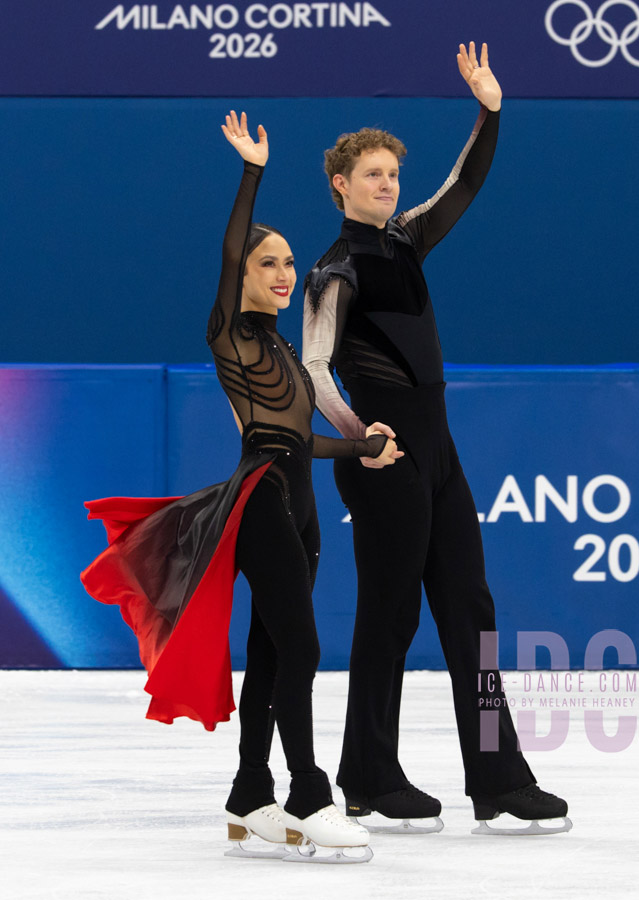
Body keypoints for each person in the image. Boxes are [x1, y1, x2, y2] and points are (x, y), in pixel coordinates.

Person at [81, 110, 400, 863]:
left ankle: (250, 794)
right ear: (243, 277)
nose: (285, 273)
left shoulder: (285, 349)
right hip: (260, 501)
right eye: (269, 265)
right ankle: (309, 793)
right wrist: (252, 172)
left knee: (271, 651)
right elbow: (232, 252)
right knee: (303, 644)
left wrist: (361, 447)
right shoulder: (230, 331)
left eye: (290, 263)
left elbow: (298, 436)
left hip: (302, 507)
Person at [302, 43, 571, 835]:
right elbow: (315, 369)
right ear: (340, 185)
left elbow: (465, 184)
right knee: (389, 617)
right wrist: (359, 439)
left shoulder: (407, 241)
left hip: (438, 445)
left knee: (470, 612)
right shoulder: (332, 271)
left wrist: (490, 111)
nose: (388, 184)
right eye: (372, 174)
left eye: (393, 173)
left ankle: (497, 777)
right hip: (384, 455)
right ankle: (368, 774)